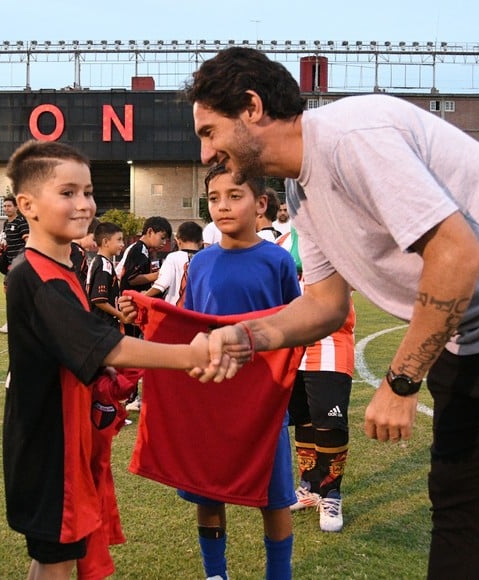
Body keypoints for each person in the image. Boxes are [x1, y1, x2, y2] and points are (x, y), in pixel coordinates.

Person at [185, 47, 479, 579]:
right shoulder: (301, 190)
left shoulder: (352, 137)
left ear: (252, 108)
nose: (206, 153)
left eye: (209, 132)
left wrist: (401, 381)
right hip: (468, 326)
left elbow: (457, 255)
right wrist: (245, 337)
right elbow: (324, 305)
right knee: (457, 505)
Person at [0, 139, 211, 580]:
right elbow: (105, 346)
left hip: (67, 442)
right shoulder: (37, 275)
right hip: (50, 449)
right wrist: (190, 354)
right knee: (56, 560)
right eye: (67, 192)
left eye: (88, 192)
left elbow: (83, 350)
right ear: (27, 205)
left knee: (55, 557)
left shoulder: (61, 268)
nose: (84, 204)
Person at [177, 163, 301, 580]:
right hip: (212, 397)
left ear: (260, 203)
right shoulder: (201, 262)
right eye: (214, 198)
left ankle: (278, 574)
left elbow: (294, 323)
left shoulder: (277, 260)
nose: (223, 206)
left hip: (264, 398)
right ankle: (215, 574)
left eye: (235, 196)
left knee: (274, 496)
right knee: (208, 492)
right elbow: (190, 325)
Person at [277, 216, 356, 533]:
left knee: (330, 422)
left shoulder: (337, 239)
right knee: (304, 419)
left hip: (330, 341)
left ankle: (331, 492)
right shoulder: (281, 244)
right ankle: (309, 487)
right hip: (291, 343)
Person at [116, 215, 172, 411]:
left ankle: (131, 394)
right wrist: (158, 276)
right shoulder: (139, 249)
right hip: (130, 306)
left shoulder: (143, 250)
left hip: (134, 305)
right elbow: (132, 278)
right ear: (150, 232)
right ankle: (130, 397)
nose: (163, 243)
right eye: (162, 238)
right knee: (132, 351)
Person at [146, 220, 203, 307]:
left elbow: (162, 284)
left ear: (178, 241)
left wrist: (143, 296)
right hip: (198, 312)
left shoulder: (173, 257)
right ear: (201, 242)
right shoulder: (205, 259)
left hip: (174, 311)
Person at [0, 193, 29, 334]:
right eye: (4, 206)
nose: (6, 208)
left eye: (9, 206)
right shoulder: (6, 223)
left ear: (16, 207)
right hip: (10, 263)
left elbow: (28, 241)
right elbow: (3, 236)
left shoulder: (21, 221)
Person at [86, 221, 128, 328]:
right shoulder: (103, 265)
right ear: (105, 242)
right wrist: (119, 315)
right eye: (119, 240)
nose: (122, 244)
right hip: (102, 325)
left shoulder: (99, 261)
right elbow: (99, 300)